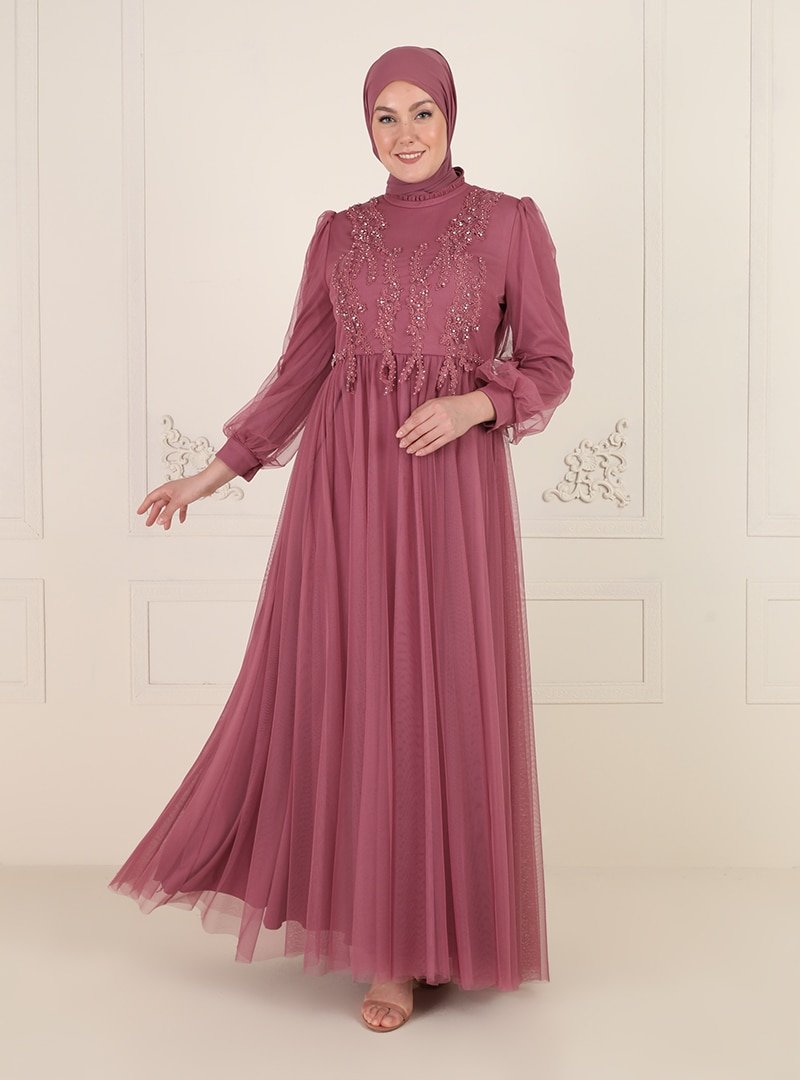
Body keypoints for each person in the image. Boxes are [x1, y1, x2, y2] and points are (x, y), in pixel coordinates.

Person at [108, 44, 574, 1033]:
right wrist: (209, 474)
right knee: (362, 694)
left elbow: (549, 363)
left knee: (443, 691)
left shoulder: (509, 223)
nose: (404, 134)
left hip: (450, 494)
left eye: (420, 113)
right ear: (365, 128)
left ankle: (440, 933)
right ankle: (388, 950)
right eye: (383, 117)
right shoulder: (339, 234)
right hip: (345, 493)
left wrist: (476, 407)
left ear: (451, 117)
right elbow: (299, 373)